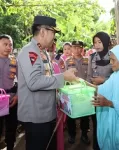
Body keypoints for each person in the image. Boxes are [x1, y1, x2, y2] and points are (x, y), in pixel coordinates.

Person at [17, 15, 78, 150]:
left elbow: (46, 77)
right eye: (53, 33)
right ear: (43, 31)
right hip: (36, 117)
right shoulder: (30, 52)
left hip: (45, 113)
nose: (54, 37)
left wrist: (63, 77)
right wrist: (63, 77)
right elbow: (34, 82)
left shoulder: (41, 51)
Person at [92, 45, 119, 150]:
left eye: (113, 60)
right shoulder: (115, 76)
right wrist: (81, 83)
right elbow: (101, 89)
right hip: (115, 119)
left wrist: (110, 103)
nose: (110, 63)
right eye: (110, 60)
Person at [87, 31, 113, 150]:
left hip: (109, 97)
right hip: (95, 95)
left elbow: (117, 78)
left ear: (106, 42)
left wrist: (103, 80)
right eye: (94, 42)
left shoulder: (113, 56)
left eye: (99, 42)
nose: (96, 45)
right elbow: (88, 77)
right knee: (96, 124)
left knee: (109, 124)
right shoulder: (91, 57)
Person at [65, 40, 90, 144]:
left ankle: (84, 134)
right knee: (71, 115)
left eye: (79, 47)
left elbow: (89, 75)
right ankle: (72, 135)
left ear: (82, 48)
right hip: (72, 92)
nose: (76, 49)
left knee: (85, 114)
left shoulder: (87, 61)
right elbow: (65, 77)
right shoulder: (67, 61)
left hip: (84, 91)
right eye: (74, 47)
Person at [0, 34, 18, 150]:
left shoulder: (14, 61)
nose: (8, 47)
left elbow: (22, 81)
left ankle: (10, 146)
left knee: (11, 127)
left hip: (11, 99)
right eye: (5, 44)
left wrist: (17, 96)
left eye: (10, 45)